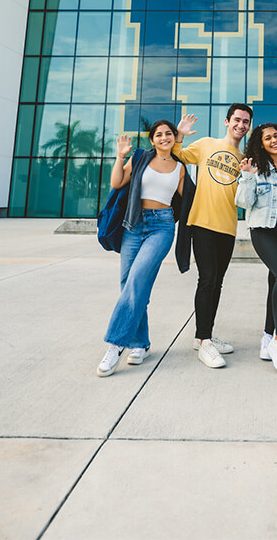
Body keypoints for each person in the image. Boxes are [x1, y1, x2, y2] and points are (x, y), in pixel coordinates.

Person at [97, 120, 193, 377]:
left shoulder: (180, 168)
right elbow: (117, 183)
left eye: (168, 134)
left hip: (161, 228)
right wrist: (120, 157)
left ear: (174, 138)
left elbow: (190, 201)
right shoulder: (140, 158)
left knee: (137, 280)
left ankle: (116, 344)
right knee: (128, 283)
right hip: (134, 224)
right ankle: (141, 343)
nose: (164, 138)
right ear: (152, 140)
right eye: (159, 135)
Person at [172, 103, 253, 368]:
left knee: (217, 282)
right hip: (203, 222)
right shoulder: (207, 144)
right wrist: (180, 134)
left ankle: (203, 335)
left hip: (228, 226)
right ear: (227, 122)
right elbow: (179, 155)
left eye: (246, 122)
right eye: (237, 120)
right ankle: (204, 341)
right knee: (206, 279)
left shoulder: (243, 159)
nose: (241, 125)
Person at [235, 123, 277, 376]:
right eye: (268, 138)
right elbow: (243, 202)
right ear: (260, 143)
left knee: (275, 281)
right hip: (263, 228)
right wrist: (247, 176)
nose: (274, 140)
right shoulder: (255, 167)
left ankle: (267, 337)